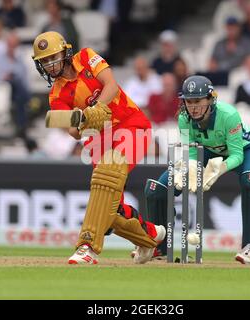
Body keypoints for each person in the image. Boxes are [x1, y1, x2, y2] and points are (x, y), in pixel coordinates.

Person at [32, 31, 165, 265]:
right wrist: (84, 119)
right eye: (44, 61)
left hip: (130, 125)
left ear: (65, 52)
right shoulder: (56, 95)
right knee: (110, 210)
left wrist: (96, 108)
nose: (49, 65)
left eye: (52, 57)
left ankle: (87, 246)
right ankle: (151, 237)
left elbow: (111, 85)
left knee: (107, 174)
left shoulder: (86, 57)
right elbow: (73, 132)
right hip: (97, 139)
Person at [144, 75, 250, 264]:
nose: (193, 107)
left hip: (244, 149)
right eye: (188, 101)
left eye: (198, 101)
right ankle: (158, 247)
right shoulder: (184, 119)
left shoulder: (228, 114)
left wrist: (219, 170)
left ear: (211, 99)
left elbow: (236, 154)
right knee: (158, 188)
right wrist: (191, 169)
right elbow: (192, 154)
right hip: (207, 152)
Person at [0, 32, 30, 137]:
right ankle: (21, 124)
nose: (12, 48)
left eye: (14, 45)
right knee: (18, 89)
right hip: (0, 89)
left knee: (17, 84)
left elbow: (25, 81)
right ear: (6, 44)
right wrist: (1, 78)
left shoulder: (20, 62)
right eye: (10, 45)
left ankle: (21, 123)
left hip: (16, 92)